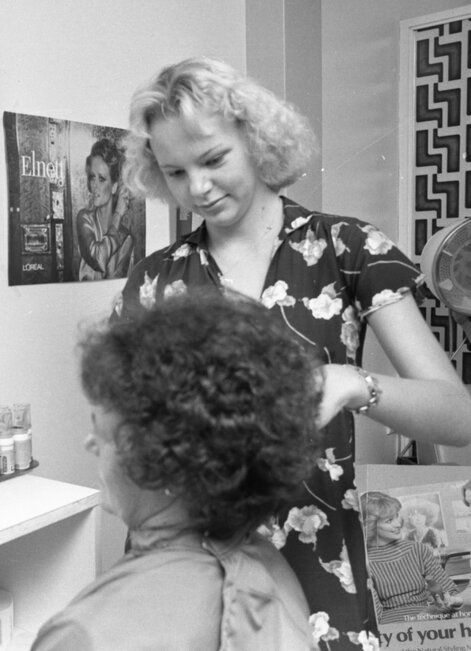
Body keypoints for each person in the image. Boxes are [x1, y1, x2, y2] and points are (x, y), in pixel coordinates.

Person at [112, 56, 471, 646]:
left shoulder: (347, 248)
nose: (196, 189)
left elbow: (455, 416)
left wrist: (355, 384)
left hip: (320, 553)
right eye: (175, 173)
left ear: (255, 140)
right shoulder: (154, 282)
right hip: (195, 559)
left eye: (213, 160)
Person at [33, 292, 320, 650]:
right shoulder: (269, 570)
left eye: (102, 433)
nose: (90, 444)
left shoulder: (88, 633)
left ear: (163, 461)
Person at [361, 491, 464, 625]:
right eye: (389, 520)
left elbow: (449, 591)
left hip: (431, 621)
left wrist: (453, 601)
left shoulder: (417, 549)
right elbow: (374, 617)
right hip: (394, 630)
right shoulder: (363, 562)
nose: (398, 524)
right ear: (370, 526)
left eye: (397, 516)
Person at [75, 138, 134, 280]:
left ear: (114, 187)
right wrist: (118, 215)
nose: (94, 185)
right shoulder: (84, 219)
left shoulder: (126, 238)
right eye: (92, 177)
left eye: (101, 179)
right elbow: (98, 259)